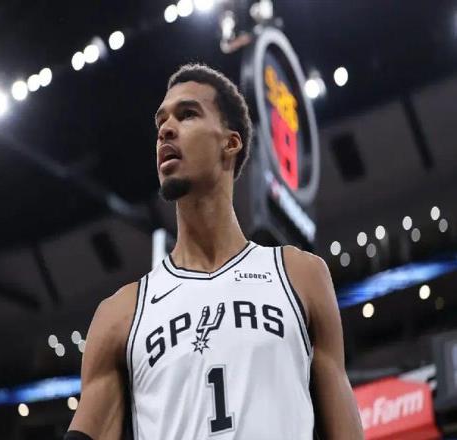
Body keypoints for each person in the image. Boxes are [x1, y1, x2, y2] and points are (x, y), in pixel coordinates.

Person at [65, 63, 364, 440]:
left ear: (230, 142)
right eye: (161, 121)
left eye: (187, 114)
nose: (166, 129)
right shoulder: (120, 315)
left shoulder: (300, 275)